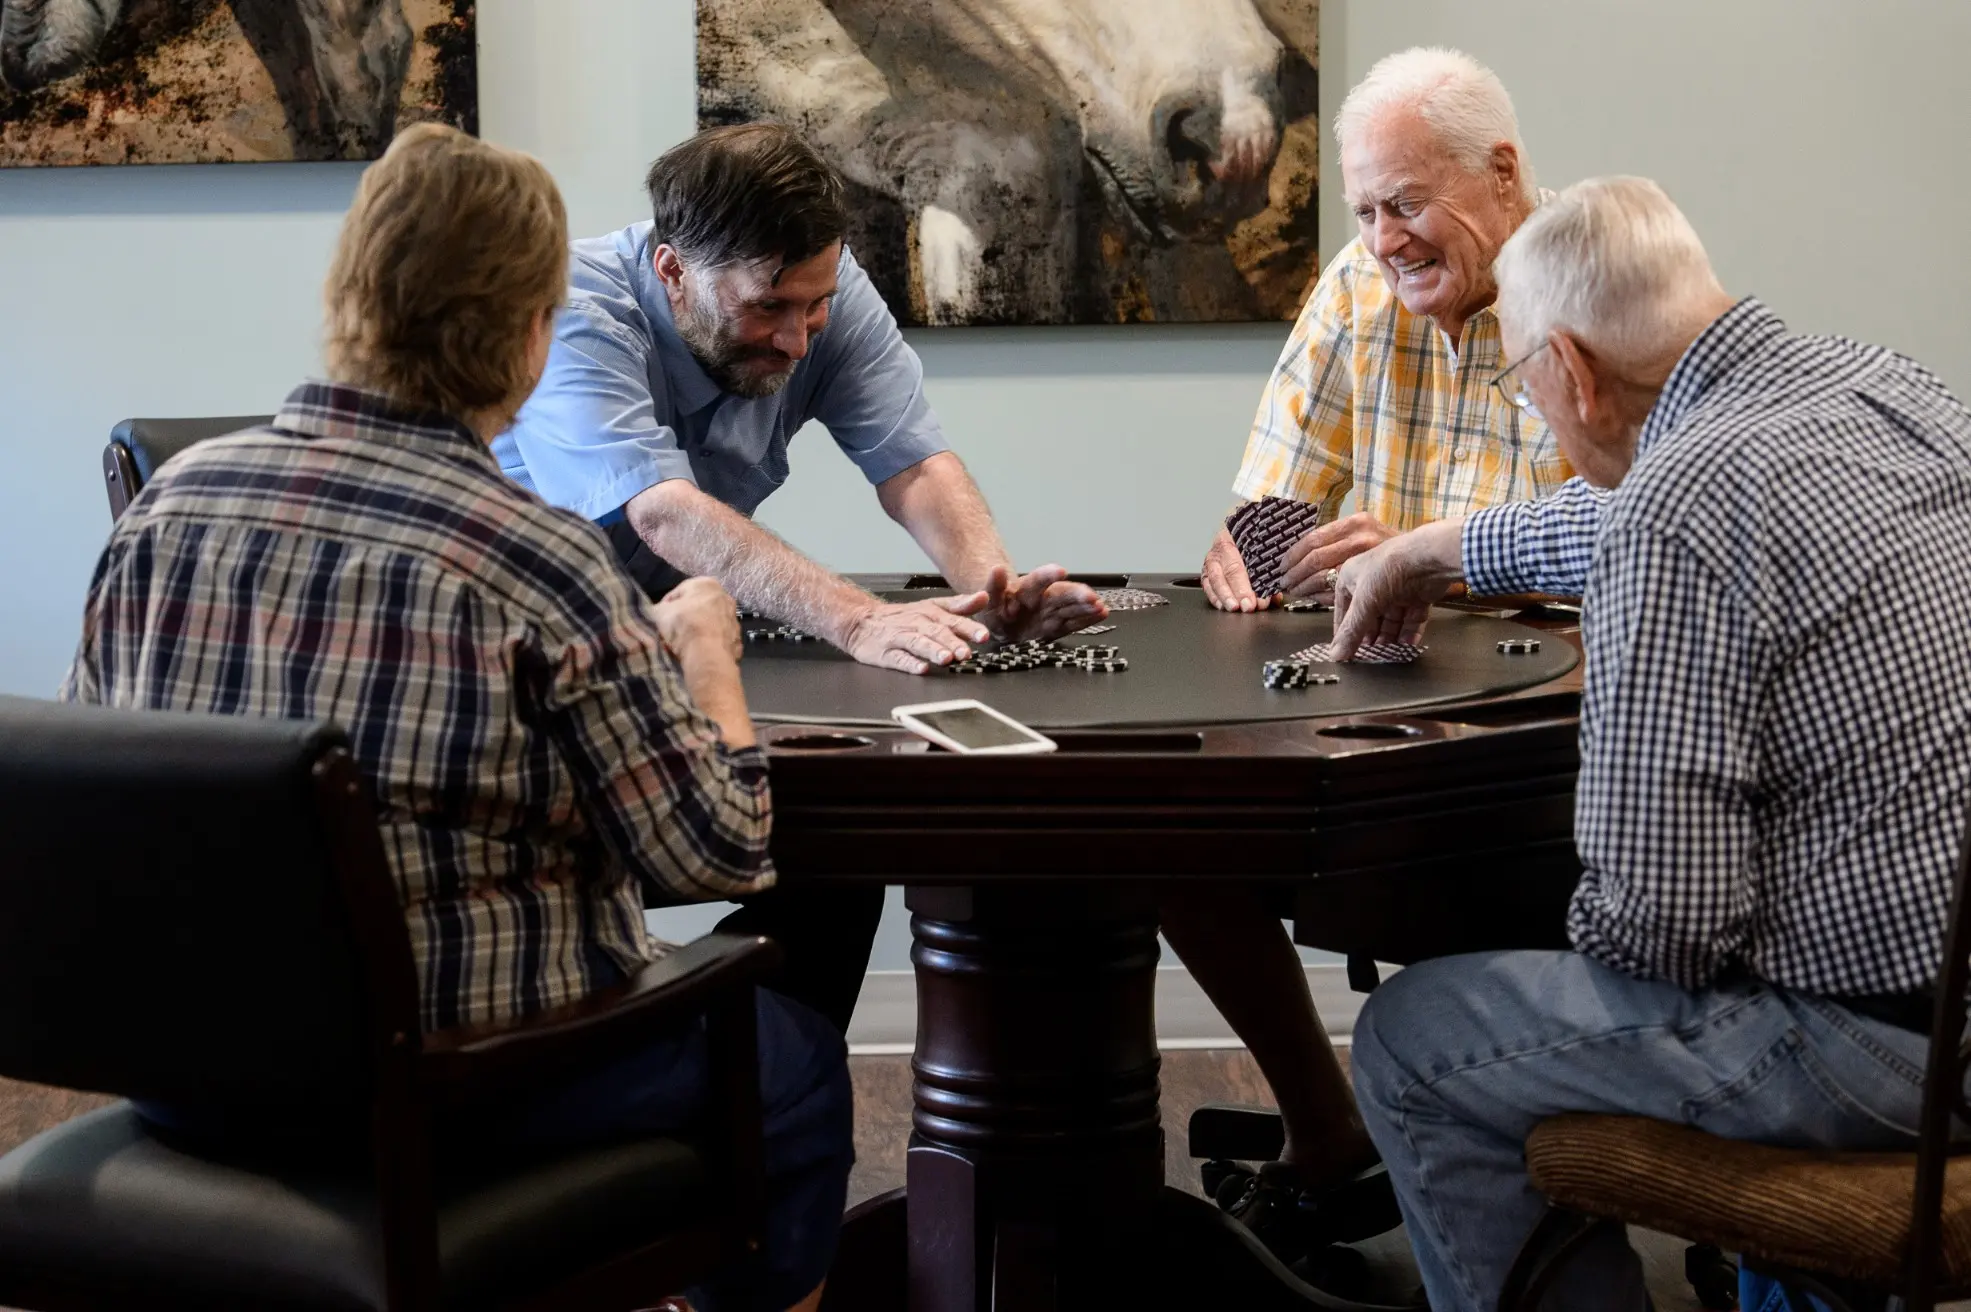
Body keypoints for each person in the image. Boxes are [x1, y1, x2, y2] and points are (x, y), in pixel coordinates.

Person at [60, 124, 847, 1312]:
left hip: (191, 1071)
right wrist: (706, 657)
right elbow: (722, 851)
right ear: (534, 339)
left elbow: (99, 801)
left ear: (346, 292)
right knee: (792, 1065)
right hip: (465, 1083)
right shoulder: (540, 565)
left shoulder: (165, 512)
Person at [1342, 175, 1971, 1311]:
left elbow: (1662, 929)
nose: (1538, 409)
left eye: (1530, 387)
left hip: (1893, 1058)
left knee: (1411, 1037)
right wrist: (1432, 548)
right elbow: (1636, 511)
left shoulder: (1675, 509)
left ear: (1574, 370)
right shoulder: (1892, 392)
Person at [495, 122, 1106, 1039]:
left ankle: (768, 1107)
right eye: (766, 309)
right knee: (788, 852)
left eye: (812, 308)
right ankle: (700, 1093)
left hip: (670, 657)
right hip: (523, 701)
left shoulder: (822, 290)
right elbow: (659, 510)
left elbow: (913, 463)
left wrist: (991, 589)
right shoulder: (571, 307)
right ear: (671, 273)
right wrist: (860, 621)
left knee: (832, 854)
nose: (794, 339)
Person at [1161, 49, 1572, 1273]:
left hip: (1540, 743)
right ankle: (1330, 1129)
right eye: (1363, 209)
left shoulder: (1589, 284)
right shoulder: (1355, 286)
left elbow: (1632, 542)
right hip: (1373, 702)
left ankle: (1517, 1175)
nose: (1383, 238)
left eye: (1404, 202)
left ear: (1500, 173)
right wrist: (1258, 546)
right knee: (1167, 827)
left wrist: (1432, 554)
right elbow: (1273, 500)